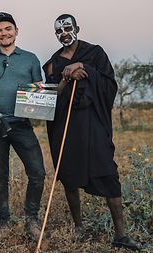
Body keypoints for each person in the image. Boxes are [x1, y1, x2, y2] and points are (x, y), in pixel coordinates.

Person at [43, 14, 143, 251]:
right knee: (69, 176)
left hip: (94, 123)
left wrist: (84, 67)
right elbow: (50, 98)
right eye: (59, 31)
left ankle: (121, 234)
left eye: (68, 27)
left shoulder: (95, 53)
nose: (64, 33)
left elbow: (110, 85)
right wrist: (67, 77)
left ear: (77, 28)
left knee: (108, 172)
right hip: (66, 127)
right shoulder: (51, 63)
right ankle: (79, 227)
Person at [0, 12, 46, 240]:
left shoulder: (30, 58)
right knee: (0, 175)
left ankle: (32, 217)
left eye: (8, 28)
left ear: (16, 31)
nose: (4, 33)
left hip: (21, 124)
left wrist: (41, 98)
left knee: (37, 172)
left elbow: (39, 88)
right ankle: (4, 220)